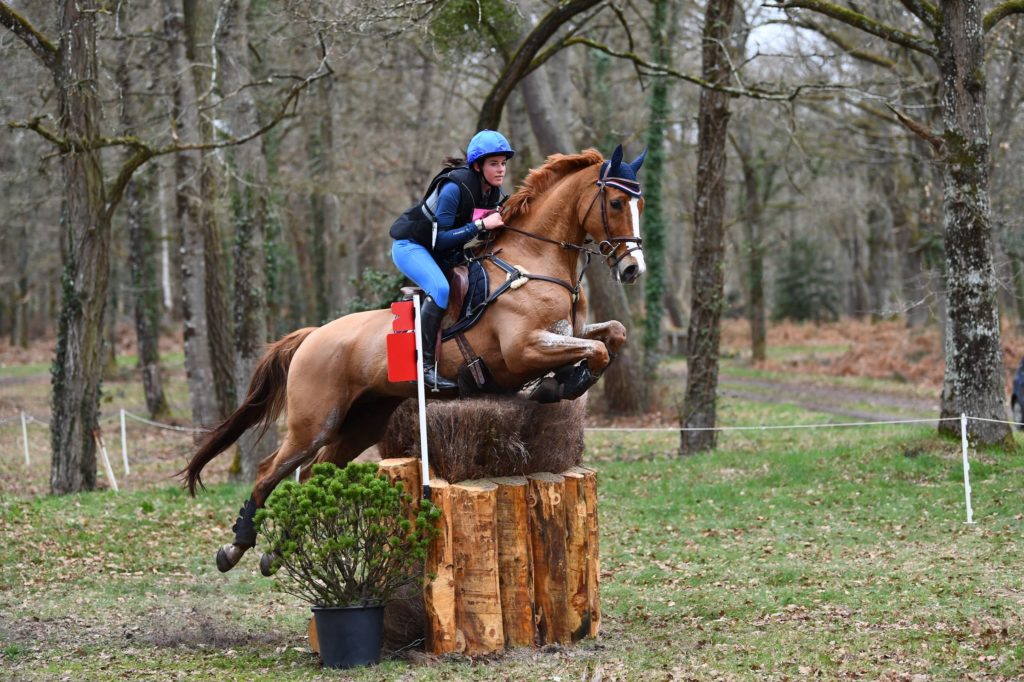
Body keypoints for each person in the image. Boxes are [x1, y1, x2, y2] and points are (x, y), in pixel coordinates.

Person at [389, 129, 515, 390]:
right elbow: (440, 239)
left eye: (503, 163)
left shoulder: (492, 191)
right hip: (411, 246)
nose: (501, 169)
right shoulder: (454, 188)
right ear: (478, 166)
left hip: (440, 251)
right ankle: (423, 367)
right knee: (440, 288)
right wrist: (481, 224)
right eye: (494, 163)